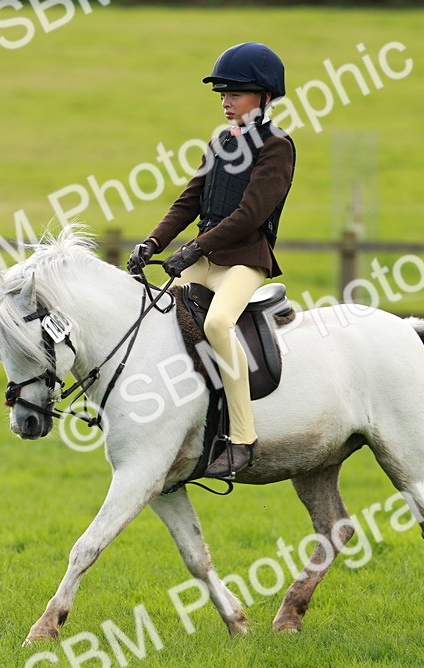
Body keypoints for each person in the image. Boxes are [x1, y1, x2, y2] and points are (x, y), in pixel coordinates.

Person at [128, 42, 296, 480]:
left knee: (218, 325)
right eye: (223, 94)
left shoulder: (277, 147)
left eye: (235, 93)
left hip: (244, 261)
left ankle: (243, 438)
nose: (226, 101)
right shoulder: (220, 141)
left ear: (264, 96)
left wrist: (193, 250)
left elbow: (249, 215)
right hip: (205, 255)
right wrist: (152, 242)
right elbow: (189, 202)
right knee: (157, 314)